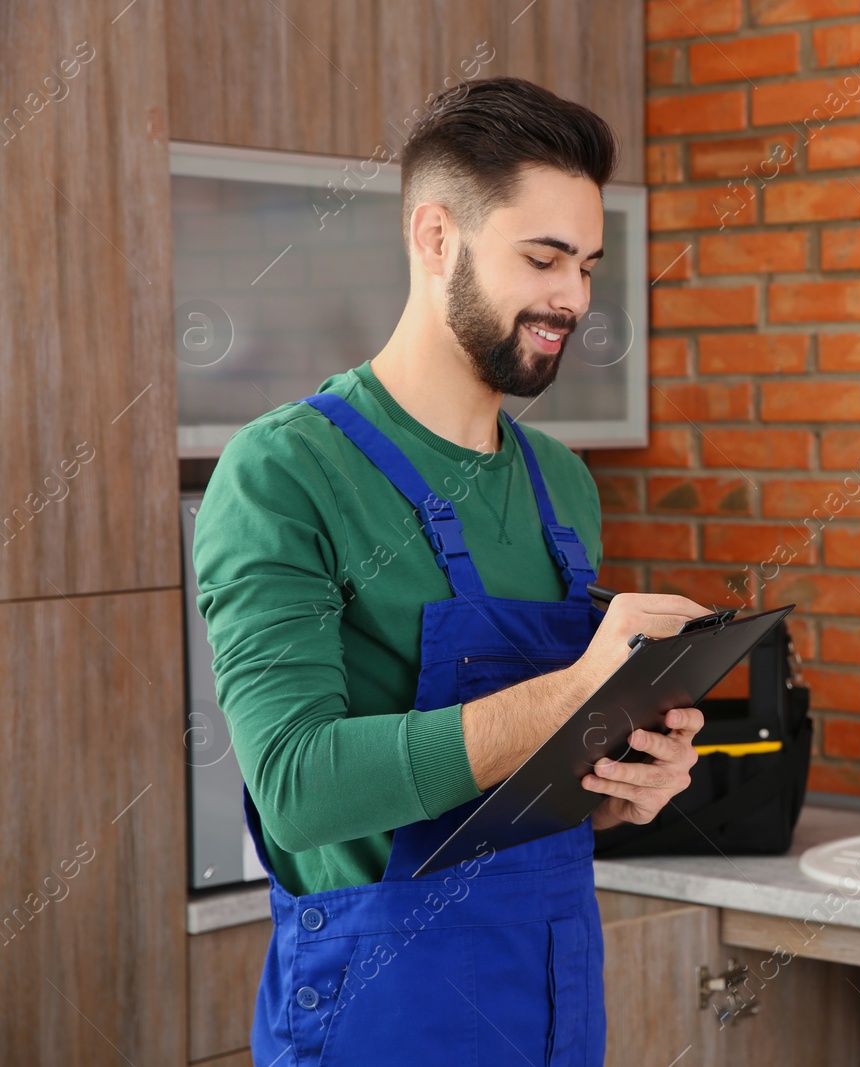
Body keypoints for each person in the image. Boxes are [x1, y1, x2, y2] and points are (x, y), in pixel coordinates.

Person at [193, 77, 708, 1066]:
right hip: (380, 1017)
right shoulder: (284, 469)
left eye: (589, 265)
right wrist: (574, 688)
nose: (573, 298)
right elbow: (296, 786)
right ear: (436, 238)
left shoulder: (560, 482)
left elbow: (517, 790)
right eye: (543, 258)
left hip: (553, 999)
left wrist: (619, 782)